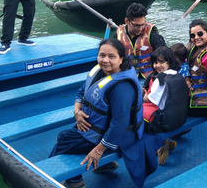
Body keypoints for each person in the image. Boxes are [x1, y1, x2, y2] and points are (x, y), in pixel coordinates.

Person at [49, 38, 162, 188]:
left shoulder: (121, 88)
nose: (105, 60)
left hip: (116, 136)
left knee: (63, 140)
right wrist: (77, 111)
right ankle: (103, 166)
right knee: (69, 137)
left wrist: (99, 150)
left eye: (112, 56)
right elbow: (82, 91)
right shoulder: (98, 71)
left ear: (121, 59)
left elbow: (119, 124)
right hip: (96, 126)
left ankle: (74, 181)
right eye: (102, 55)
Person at [142, 47, 189, 165]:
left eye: (161, 62)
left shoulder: (160, 79)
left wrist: (146, 93)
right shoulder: (177, 75)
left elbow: (149, 99)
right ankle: (166, 141)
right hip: (180, 119)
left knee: (134, 113)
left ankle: (159, 145)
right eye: (155, 62)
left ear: (169, 62)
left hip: (166, 123)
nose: (158, 65)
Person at [113, 3, 166, 78]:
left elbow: (164, 54)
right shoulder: (118, 35)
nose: (141, 28)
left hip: (149, 76)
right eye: (136, 25)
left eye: (143, 24)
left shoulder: (152, 34)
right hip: (126, 75)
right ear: (127, 21)